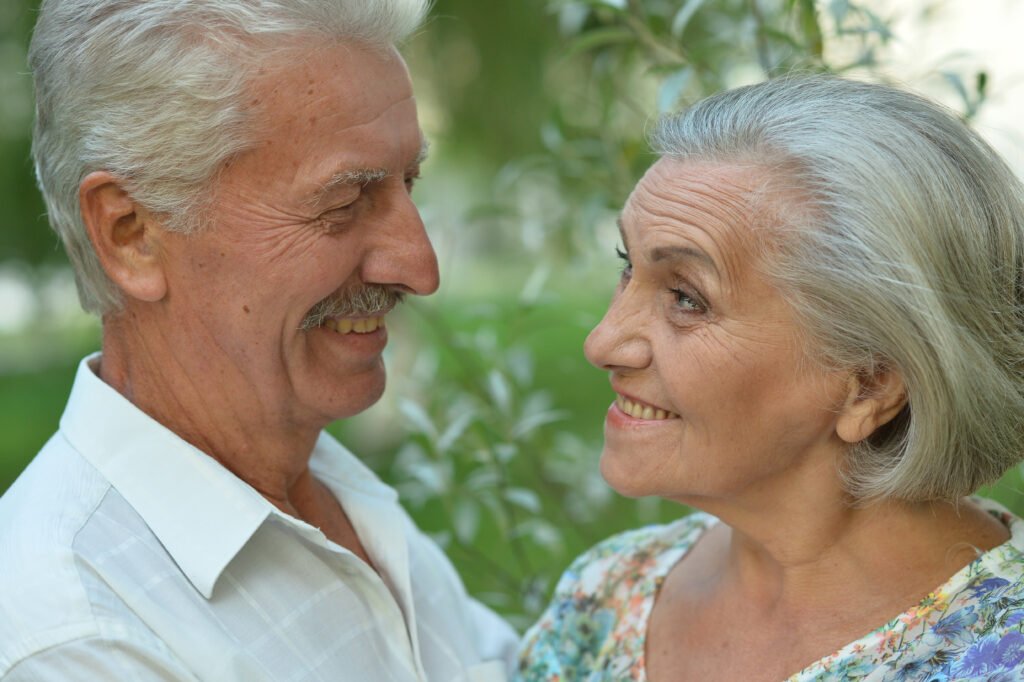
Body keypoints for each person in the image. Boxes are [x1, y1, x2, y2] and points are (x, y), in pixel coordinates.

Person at [0, 1, 517, 679]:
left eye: (408, 184)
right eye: (342, 204)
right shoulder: (73, 639)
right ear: (131, 233)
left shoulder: (322, 481)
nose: (419, 267)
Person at [517, 75, 1024, 681]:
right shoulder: (607, 594)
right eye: (628, 268)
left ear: (870, 384)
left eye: (686, 297)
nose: (602, 343)